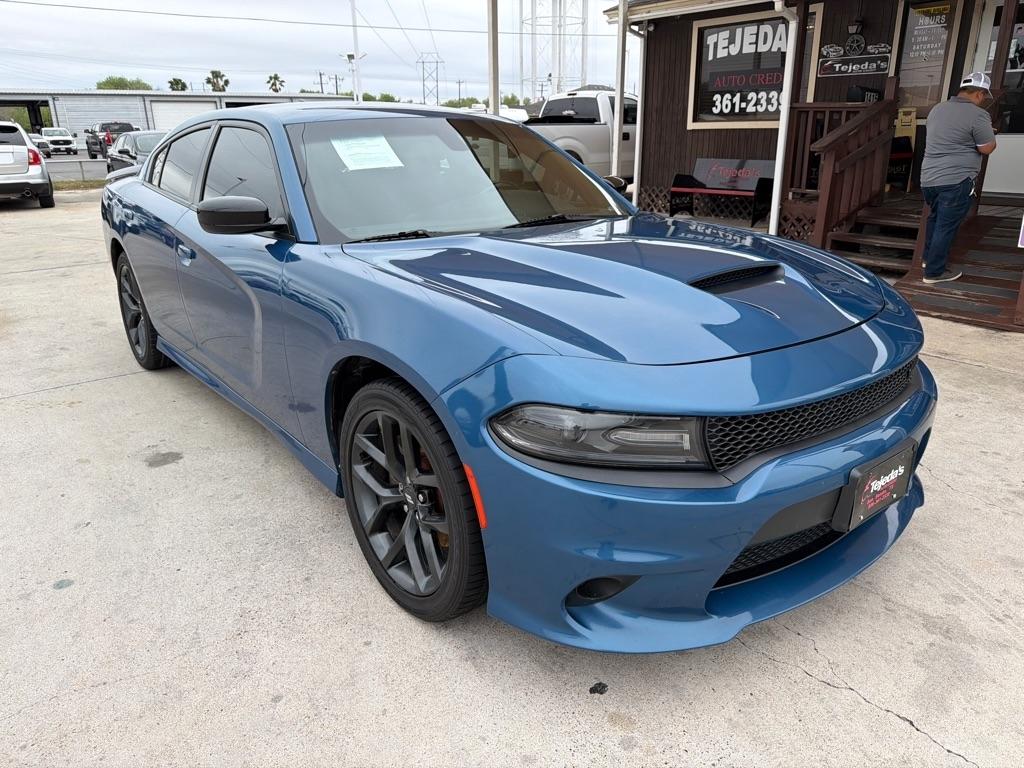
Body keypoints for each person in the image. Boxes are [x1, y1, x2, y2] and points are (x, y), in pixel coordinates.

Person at [919, 72, 998, 284]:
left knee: (935, 220)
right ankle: (934, 273)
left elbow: (949, 136)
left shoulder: (937, 109)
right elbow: (987, 147)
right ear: (980, 94)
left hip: (929, 178)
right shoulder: (978, 115)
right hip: (956, 178)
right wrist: (989, 134)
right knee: (946, 226)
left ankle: (928, 260)